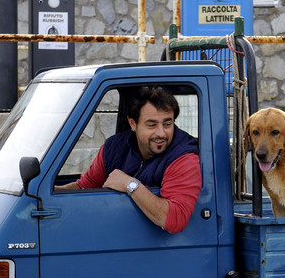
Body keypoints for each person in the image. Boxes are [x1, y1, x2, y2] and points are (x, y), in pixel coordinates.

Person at [57, 86, 201, 234]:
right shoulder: (113, 147)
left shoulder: (184, 157)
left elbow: (174, 219)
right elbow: (85, 187)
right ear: (133, 124)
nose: (161, 133)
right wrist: (50, 192)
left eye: (167, 124)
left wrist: (130, 184)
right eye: (151, 125)